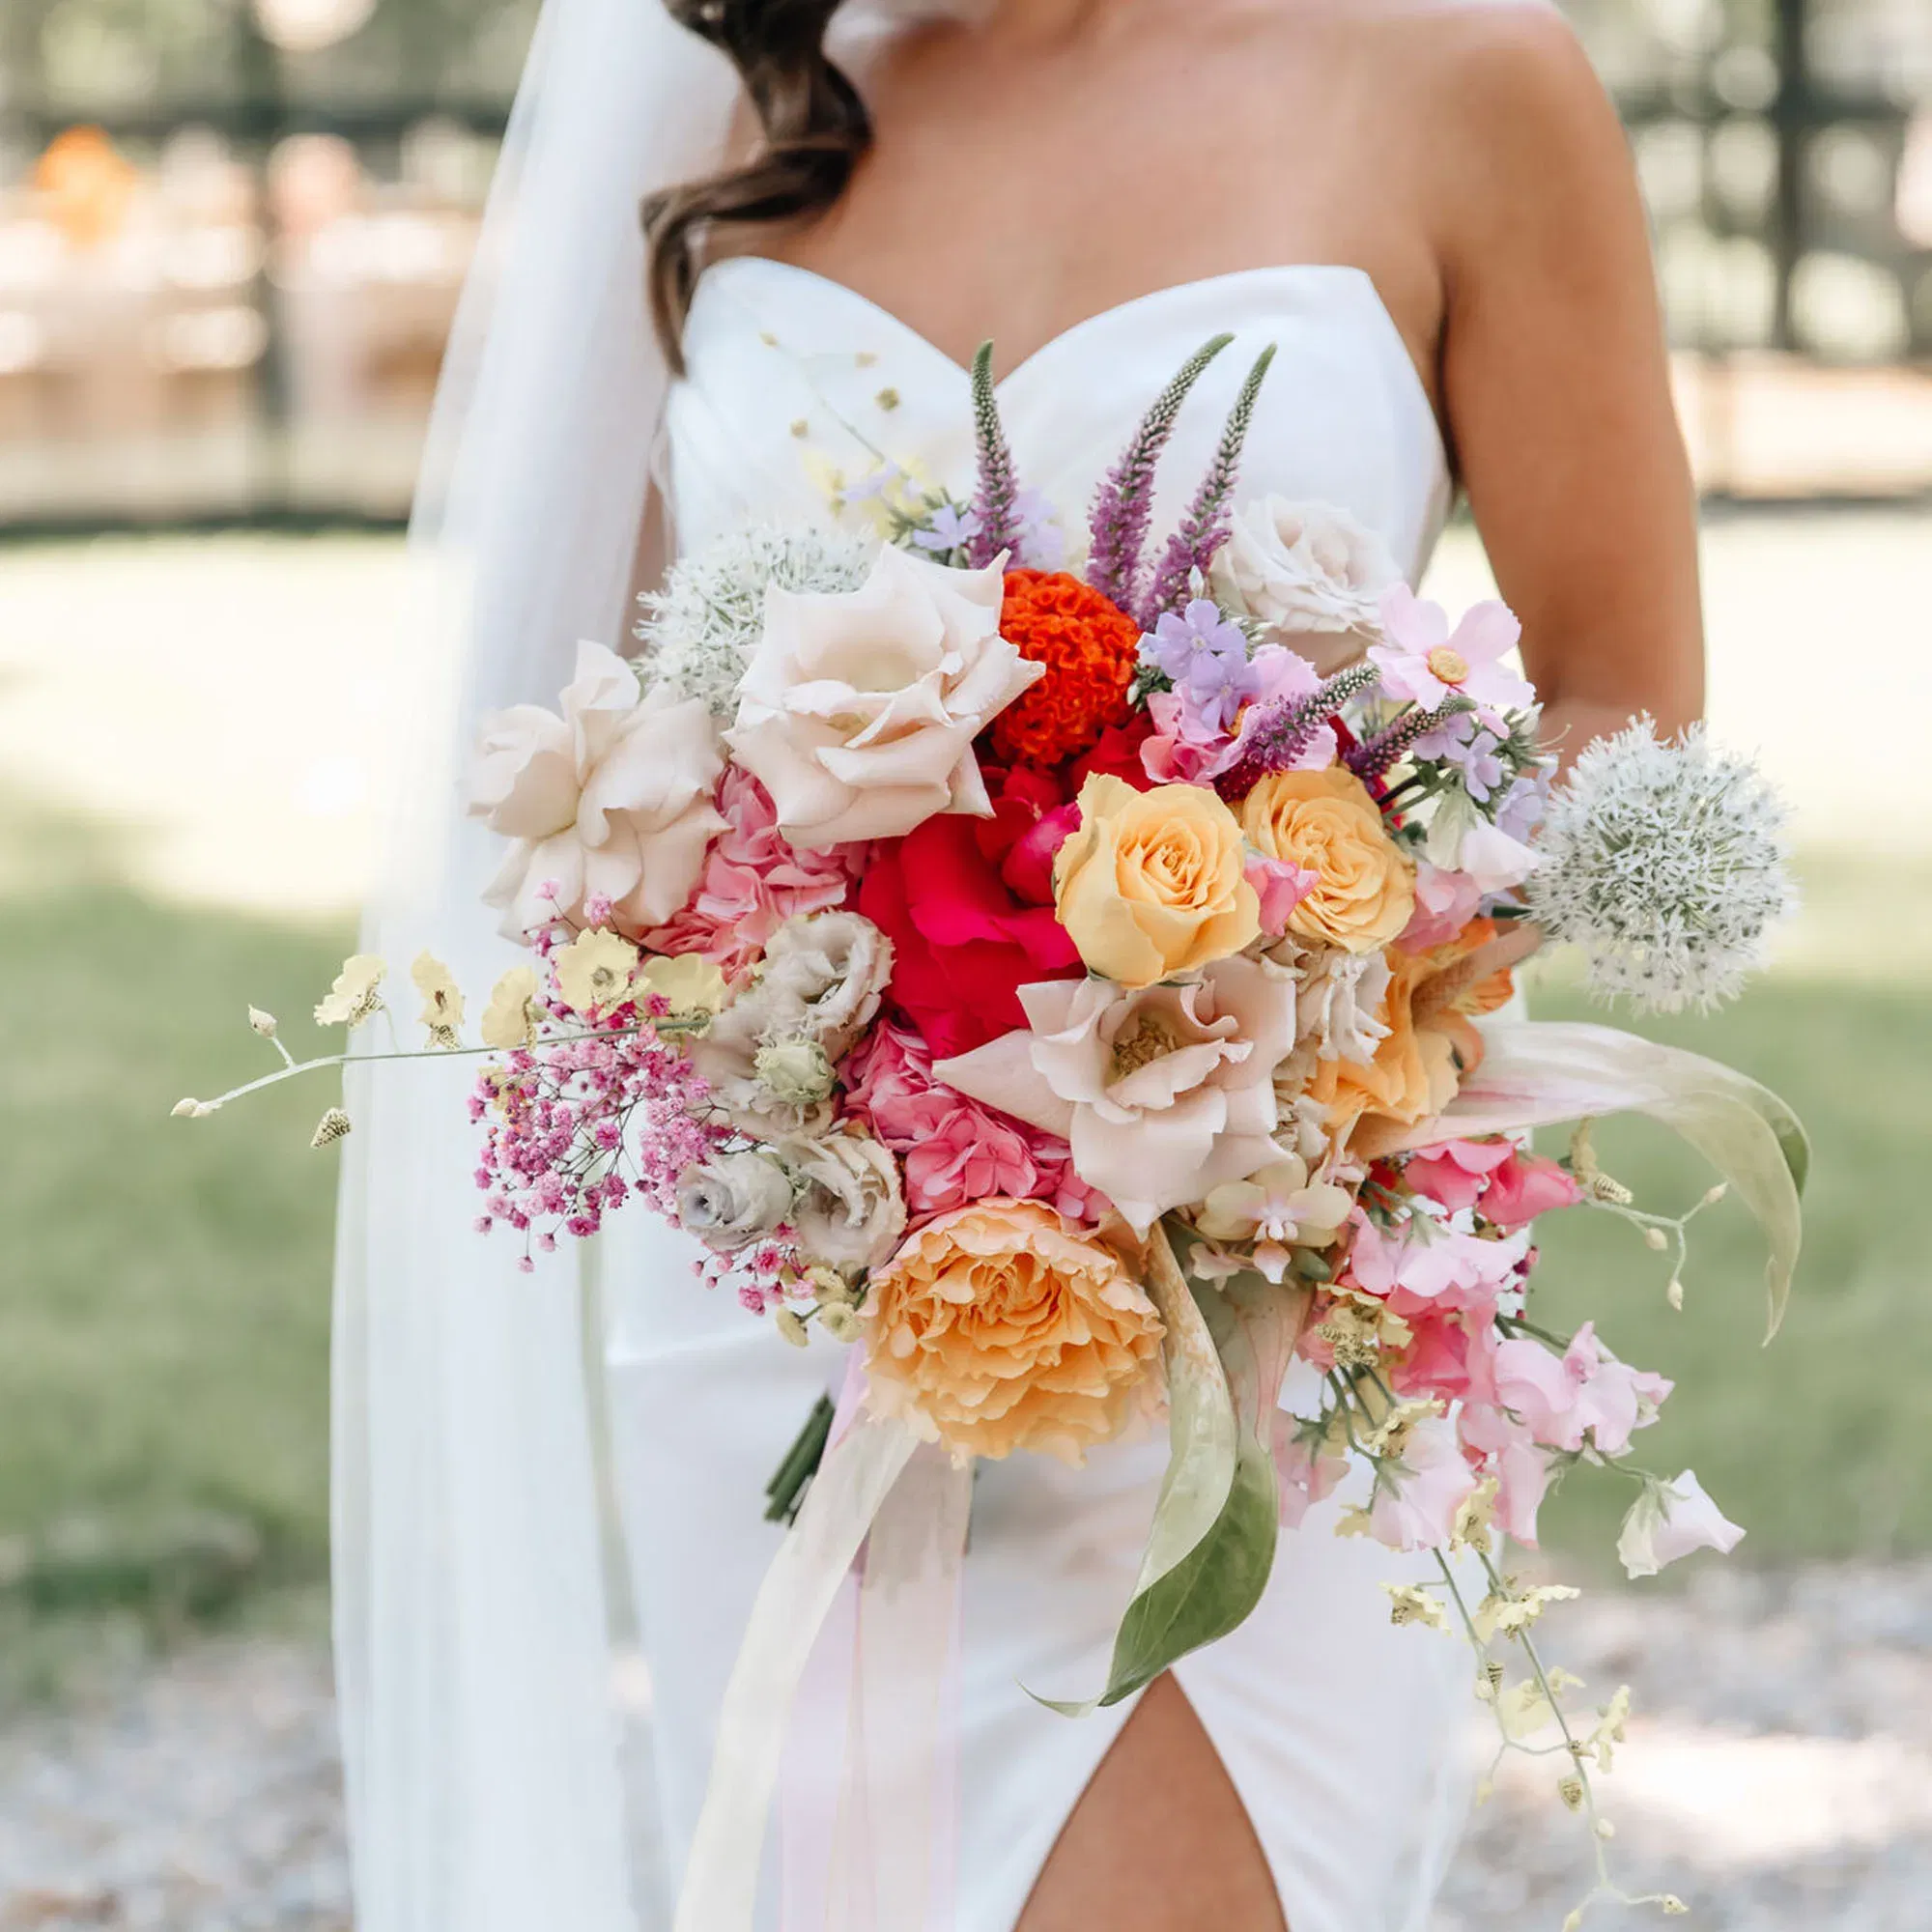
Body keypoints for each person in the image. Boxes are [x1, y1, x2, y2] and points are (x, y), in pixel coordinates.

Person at [334, 4, 1704, 1930]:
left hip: (1249, 1270)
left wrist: (1299, 1018)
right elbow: (605, 739)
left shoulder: (1464, 77)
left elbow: (1615, 693)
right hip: (793, 1272)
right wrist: (780, 1002)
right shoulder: (747, 105)